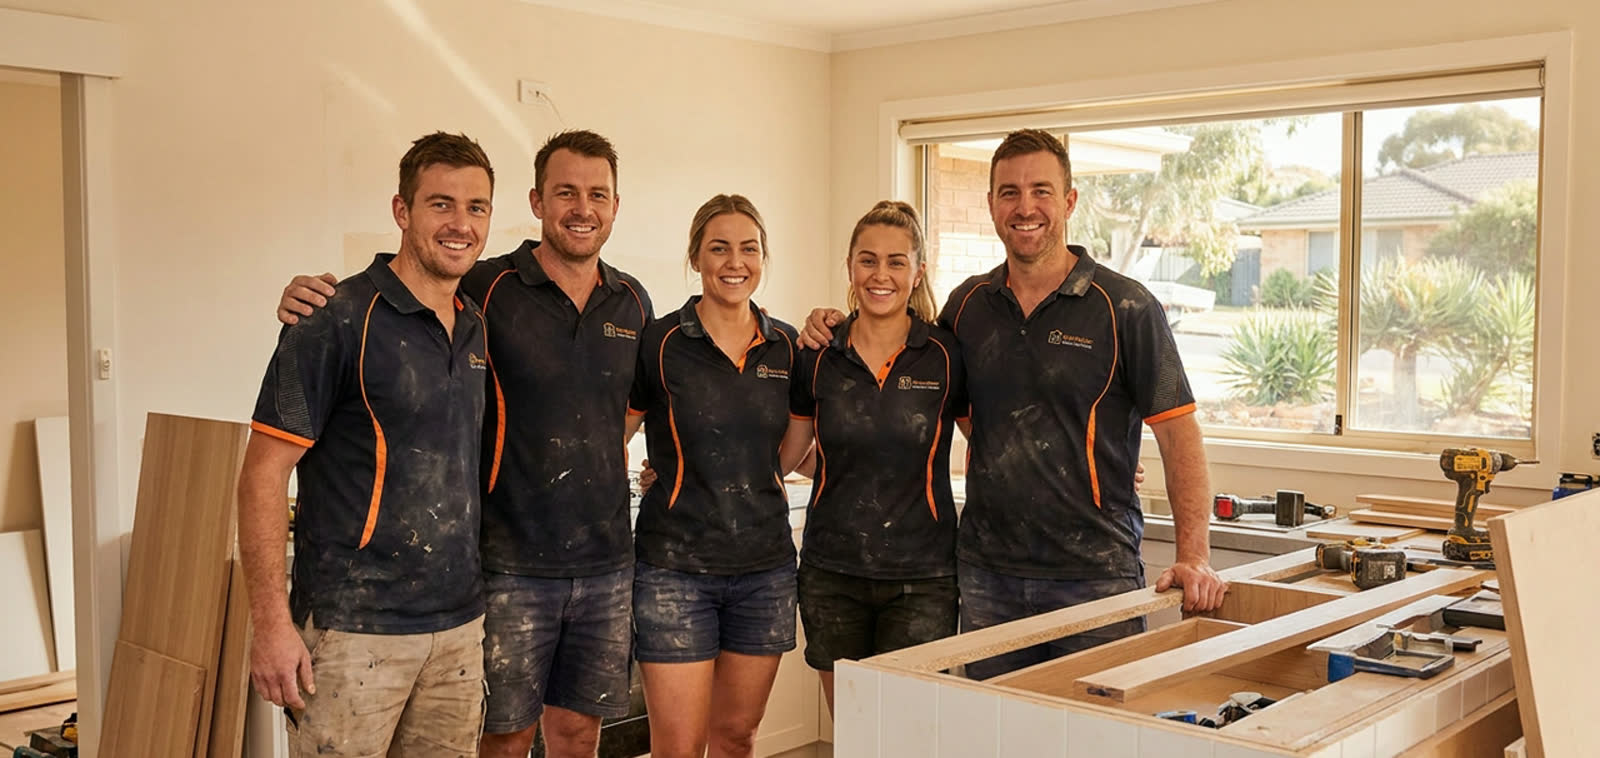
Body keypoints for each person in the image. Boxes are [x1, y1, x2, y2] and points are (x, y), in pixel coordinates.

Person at [277, 130, 651, 758]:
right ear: (536, 201)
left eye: (597, 194)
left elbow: (631, 408)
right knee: (502, 740)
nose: (582, 208)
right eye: (565, 192)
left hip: (603, 564)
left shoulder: (633, 301)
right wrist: (307, 298)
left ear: (616, 205)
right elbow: (409, 286)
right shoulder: (485, 286)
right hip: (503, 567)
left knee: (580, 738)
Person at [800, 128, 1226, 680]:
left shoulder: (1125, 307)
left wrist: (1193, 554)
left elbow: (1179, 435)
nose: (1025, 207)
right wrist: (829, 321)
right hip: (987, 578)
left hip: (1095, 577)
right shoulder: (969, 307)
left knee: (1091, 739)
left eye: (1041, 191)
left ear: (1069, 201)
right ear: (992, 205)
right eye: (1009, 192)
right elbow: (955, 405)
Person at [239, 131, 495, 756]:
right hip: (354, 633)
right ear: (402, 211)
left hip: (459, 629)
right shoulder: (334, 316)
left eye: (477, 207)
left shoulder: (476, 327)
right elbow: (262, 475)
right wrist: (271, 623)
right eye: (441, 204)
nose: (460, 223)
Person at [623, 194, 813, 758]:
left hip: (764, 572)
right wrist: (664, 475)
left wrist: (746, 475)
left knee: (737, 738)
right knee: (678, 748)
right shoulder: (659, 342)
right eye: (719, 248)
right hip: (673, 572)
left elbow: (795, 441)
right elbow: (617, 432)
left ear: (763, 257)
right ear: (696, 258)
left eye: (749, 248)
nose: (735, 262)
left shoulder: (787, 345)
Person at [785, 201, 964, 711]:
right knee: (856, 733)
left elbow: (996, 441)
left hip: (924, 578)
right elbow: (788, 454)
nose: (880, 275)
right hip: (831, 574)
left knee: (905, 737)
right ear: (849, 267)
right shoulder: (817, 355)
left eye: (896, 261)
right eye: (867, 260)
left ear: (917, 272)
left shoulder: (946, 356)